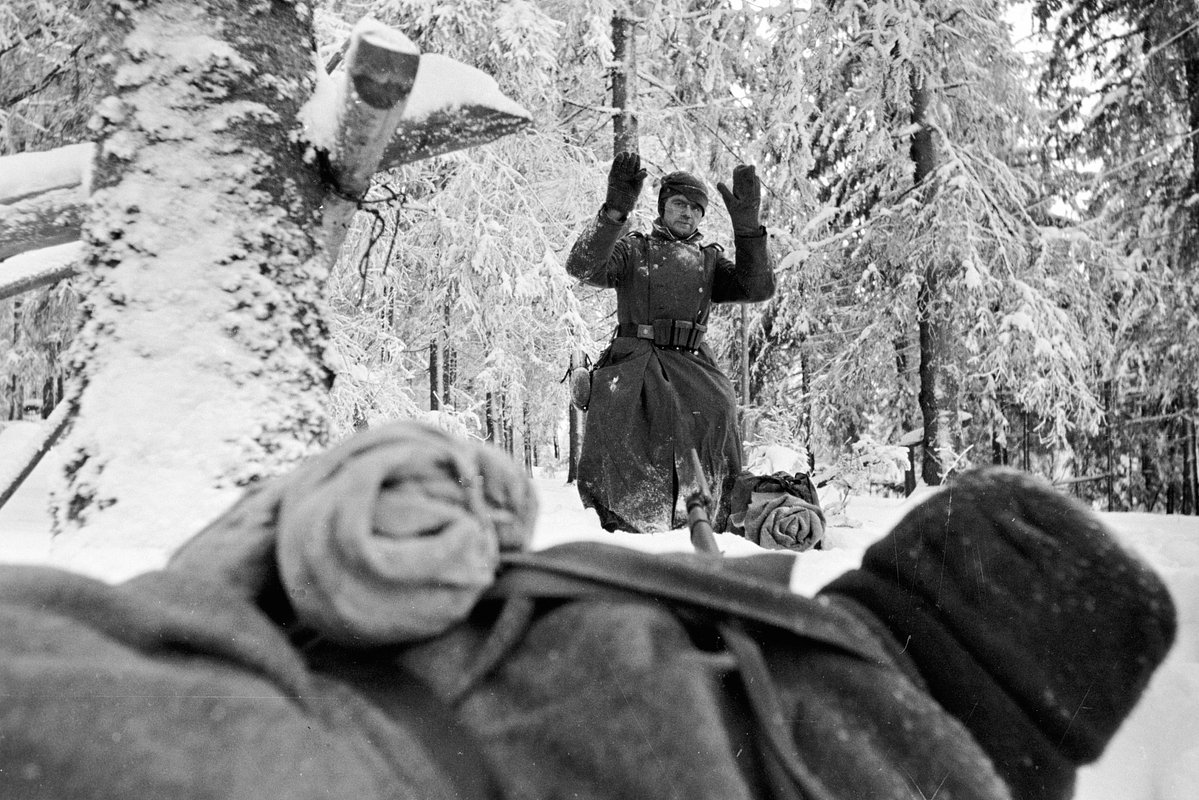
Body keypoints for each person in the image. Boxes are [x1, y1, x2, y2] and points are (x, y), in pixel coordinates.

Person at [565, 151, 775, 532]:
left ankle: (709, 514)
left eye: (697, 209)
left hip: (693, 362)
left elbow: (757, 288)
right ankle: (623, 518)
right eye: (680, 204)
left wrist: (748, 230)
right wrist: (614, 211)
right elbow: (582, 266)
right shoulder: (634, 250)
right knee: (622, 418)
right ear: (663, 207)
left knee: (719, 407)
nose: (688, 213)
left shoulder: (708, 261)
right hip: (636, 362)